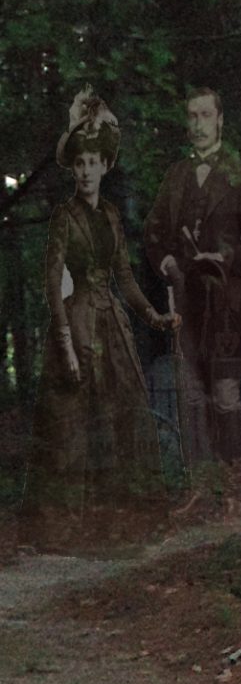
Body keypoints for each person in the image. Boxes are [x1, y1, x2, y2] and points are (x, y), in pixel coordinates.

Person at [19, 98, 179, 548]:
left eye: (94, 162)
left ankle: (122, 525)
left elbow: (124, 276)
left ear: (105, 166)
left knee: (123, 420)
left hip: (113, 325)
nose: (86, 170)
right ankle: (63, 531)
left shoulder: (110, 215)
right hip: (77, 325)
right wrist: (66, 345)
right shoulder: (64, 218)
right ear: (73, 170)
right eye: (80, 163)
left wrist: (152, 315)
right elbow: (54, 284)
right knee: (71, 427)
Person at [143, 87, 241, 465]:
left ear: (220, 121)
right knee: (190, 392)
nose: (198, 125)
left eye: (205, 116)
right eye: (192, 117)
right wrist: (166, 261)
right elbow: (153, 232)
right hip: (184, 302)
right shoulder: (176, 176)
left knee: (226, 393)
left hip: (225, 305)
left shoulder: (240, 174)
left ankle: (232, 485)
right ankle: (200, 487)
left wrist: (224, 258)